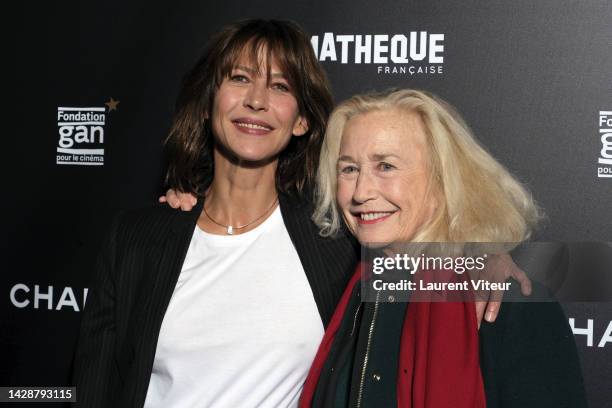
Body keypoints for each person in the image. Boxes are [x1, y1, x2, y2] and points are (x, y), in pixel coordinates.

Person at [75, 19, 530, 408]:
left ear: (301, 121)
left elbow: (418, 242)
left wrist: (482, 258)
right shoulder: (138, 239)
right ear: (210, 99)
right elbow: (94, 388)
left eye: (279, 86)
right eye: (239, 78)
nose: (256, 100)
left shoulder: (336, 240)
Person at [299, 89, 587, 407]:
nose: (361, 192)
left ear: (442, 180)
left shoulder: (508, 304)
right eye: (349, 169)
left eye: (386, 167)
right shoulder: (349, 288)